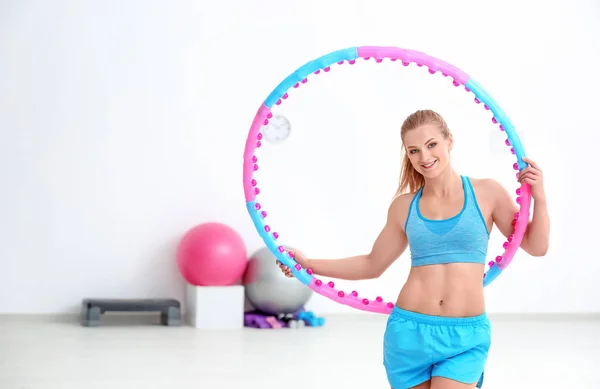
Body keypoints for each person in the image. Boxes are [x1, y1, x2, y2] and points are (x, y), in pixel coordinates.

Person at [276, 109, 550, 389]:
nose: (425, 157)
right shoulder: (404, 206)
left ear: (449, 141)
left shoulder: (488, 193)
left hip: (464, 338)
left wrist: (538, 195)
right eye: (414, 150)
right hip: (408, 334)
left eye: (431, 145)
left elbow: (536, 246)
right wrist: (307, 263)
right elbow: (372, 264)